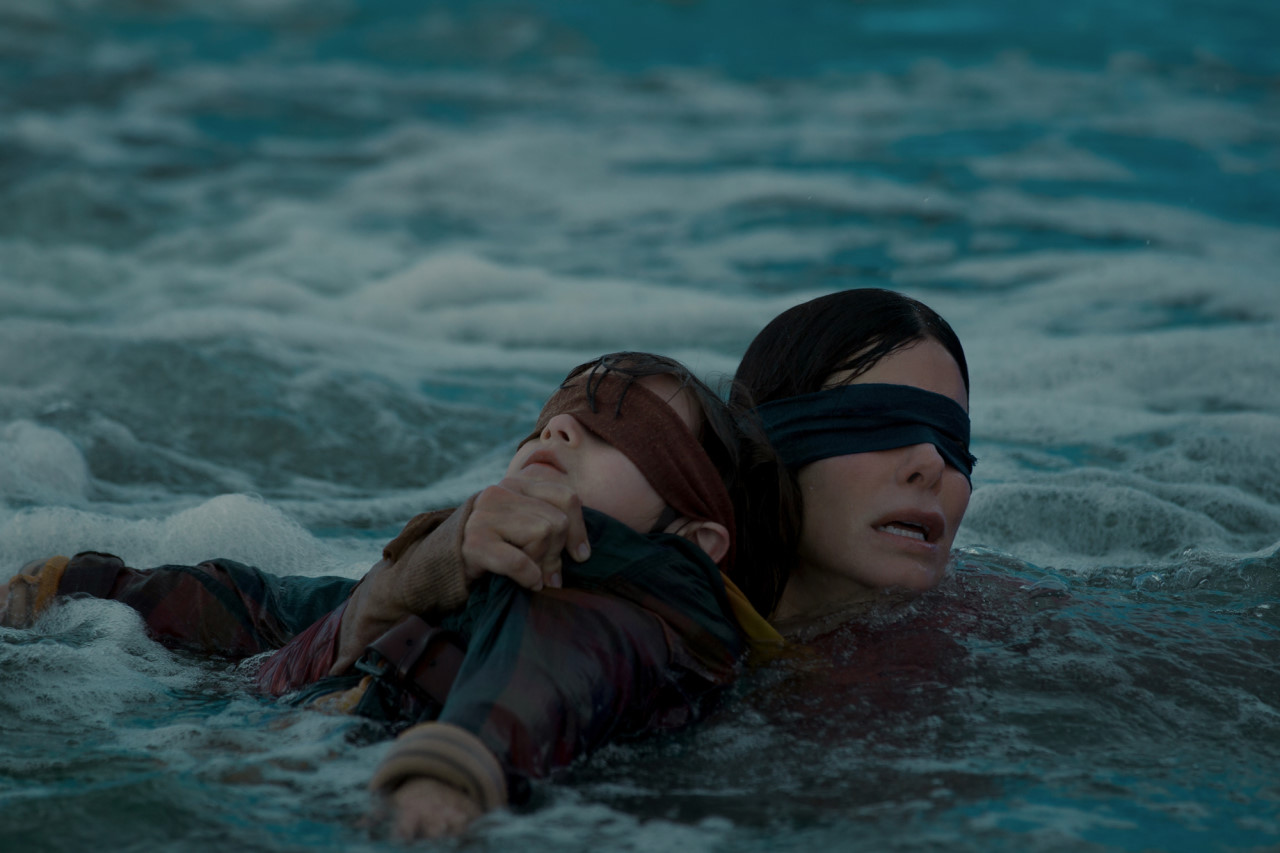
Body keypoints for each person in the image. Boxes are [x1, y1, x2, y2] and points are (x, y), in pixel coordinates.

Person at [1, 352, 792, 840]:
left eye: (621, 428)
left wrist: (450, 774)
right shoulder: (474, 580)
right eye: (549, 421)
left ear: (696, 539)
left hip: (386, 800)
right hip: (295, 765)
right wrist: (89, 583)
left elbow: (546, 675)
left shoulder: (628, 611)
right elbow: (275, 609)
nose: (559, 433)